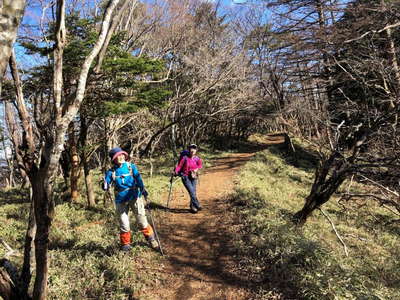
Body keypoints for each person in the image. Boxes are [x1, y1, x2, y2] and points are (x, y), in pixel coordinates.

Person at [103, 147, 159, 251]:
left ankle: (151, 239)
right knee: (124, 224)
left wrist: (143, 190)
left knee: (141, 220)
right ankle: (125, 245)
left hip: (134, 196)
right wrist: (105, 185)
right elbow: (106, 182)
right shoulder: (111, 172)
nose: (120, 157)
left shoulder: (131, 167)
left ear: (124, 155)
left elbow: (138, 179)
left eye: (121, 155)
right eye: (117, 156)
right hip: (121, 200)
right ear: (113, 159)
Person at [174, 144, 203, 213]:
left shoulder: (197, 158)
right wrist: (176, 171)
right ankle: (197, 204)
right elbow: (179, 166)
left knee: (193, 192)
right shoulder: (185, 158)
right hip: (185, 176)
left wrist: (196, 169)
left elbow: (200, 165)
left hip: (194, 176)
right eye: (191, 148)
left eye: (194, 148)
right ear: (189, 149)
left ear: (196, 150)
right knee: (191, 191)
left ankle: (192, 207)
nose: (192, 150)